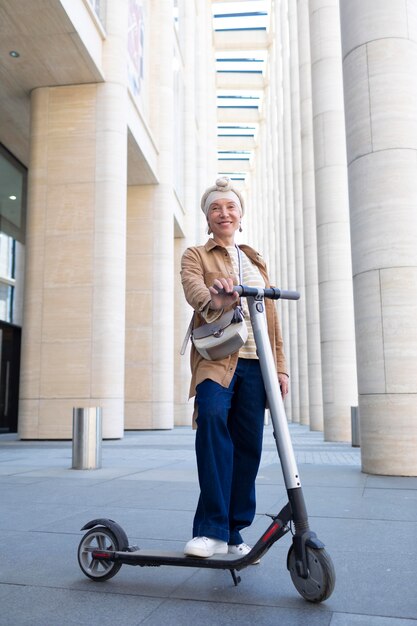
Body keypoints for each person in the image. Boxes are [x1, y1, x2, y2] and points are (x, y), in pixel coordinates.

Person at [180, 176, 289, 559]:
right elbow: (194, 291)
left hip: (257, 364)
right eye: (215, 208)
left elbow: (272, 321)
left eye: (230, 207)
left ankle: (232, 531)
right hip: (217, 359)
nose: (223, 213)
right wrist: (217, 297)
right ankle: (209, 530)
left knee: (248, 447)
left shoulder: (256, 260)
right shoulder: (196, 254)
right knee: (210, 420)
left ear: (240, 216)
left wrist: (281, 368)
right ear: (207, 219)